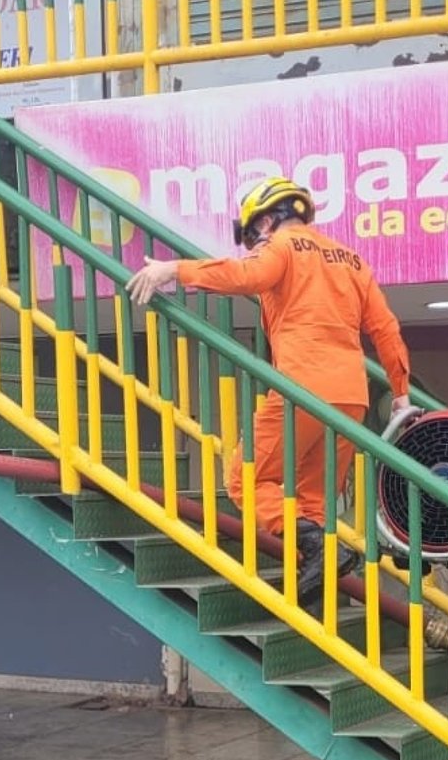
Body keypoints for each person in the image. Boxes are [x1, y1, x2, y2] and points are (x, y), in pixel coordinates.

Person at [127, 178, 411, 606]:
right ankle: (317, 593)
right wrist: (402, 391)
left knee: (244, 477)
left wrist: (174, 270)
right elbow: (385, 328)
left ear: (263, 220)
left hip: (302, 387)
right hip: (351, 397)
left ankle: (319, 552)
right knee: (311, 502)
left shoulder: (281, 245)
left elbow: (247, 275)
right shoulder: (351, 260)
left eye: (251, 235)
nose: (252, 245)